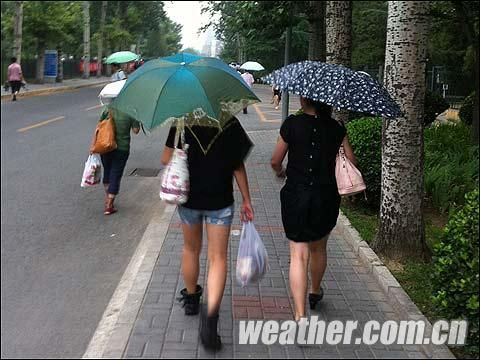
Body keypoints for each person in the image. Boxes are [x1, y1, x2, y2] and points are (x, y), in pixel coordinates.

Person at [161, 117, 254, 350]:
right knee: (218, 258)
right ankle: (211, 318)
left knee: (190, 249)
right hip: (220, 201)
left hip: (189, 199)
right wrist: (247, 200)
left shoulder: (182, 122)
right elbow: (237, 165)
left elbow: (165, 159)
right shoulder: (229, 122)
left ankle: (191, 299)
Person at [270, 97, 356, 322]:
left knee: (298, 255)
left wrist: (281, 172)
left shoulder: (291, 124)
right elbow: (350, 160)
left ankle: (300, 316)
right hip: (325, 196)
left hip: (295, 196)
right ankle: (315, 292)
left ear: (304, 98)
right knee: (318, 249)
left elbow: (275, 160)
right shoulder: (337, 128)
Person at [92, 108, 140, 215]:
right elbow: (136, 131)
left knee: (108, 172)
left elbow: (98, 128)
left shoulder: (107, 110)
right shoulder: (131, 111)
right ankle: (109, 204)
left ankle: (108, 196)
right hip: (122, 149)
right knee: (116, 174)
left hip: (106, 146)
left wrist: (93, 145)